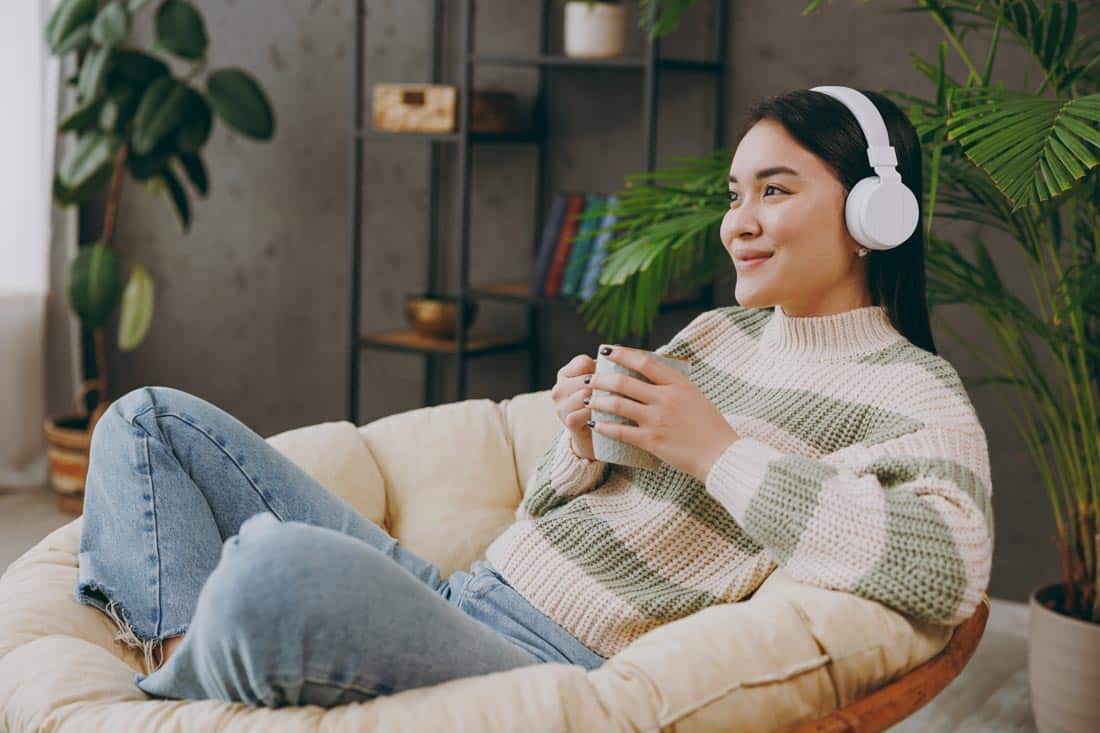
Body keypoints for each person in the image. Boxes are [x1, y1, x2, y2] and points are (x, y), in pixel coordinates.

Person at [75, 87, 993, 708]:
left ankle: (188, 677)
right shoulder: (720, 334)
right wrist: (581, 436)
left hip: (544, 667)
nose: (737, 222)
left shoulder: (912, 394)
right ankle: (182, 672)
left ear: (879, 214)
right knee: (147, 418)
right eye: (734, 192)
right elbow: (556, 499)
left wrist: (717, 451)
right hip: (462, 591)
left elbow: (945, 562)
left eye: (775, 190)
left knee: (271, 572)